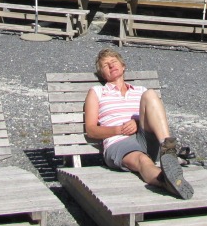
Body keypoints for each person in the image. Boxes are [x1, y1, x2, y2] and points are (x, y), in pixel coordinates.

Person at [83, 48, 193, 199]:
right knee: (143, 161)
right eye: (105, 65)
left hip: (145, 137)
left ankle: (168, 149)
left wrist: (136, 121)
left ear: (123, 66)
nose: (110, 65)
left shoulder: (140, 90)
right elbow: (91, 130)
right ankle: (167, 182)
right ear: (102, 74)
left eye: (114, 62)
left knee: (150, 94)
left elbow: (151, 117)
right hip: (119, 143)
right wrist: (119, 129)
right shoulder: (97, 92)